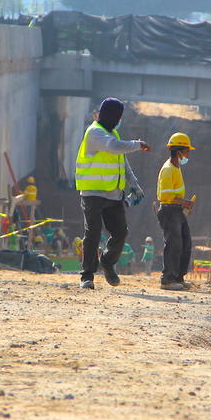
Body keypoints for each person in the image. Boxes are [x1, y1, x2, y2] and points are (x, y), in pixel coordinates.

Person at [75, 98, 150, 290]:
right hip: (93, 193)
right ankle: (87, 276)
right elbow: (113, 147)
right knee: (92, 233)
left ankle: (107, 262)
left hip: (114, 194)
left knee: (120, 232)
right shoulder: (94, 133)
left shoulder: (113, 133)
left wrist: (133, 183)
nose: (118, 121)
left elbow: (121, 163)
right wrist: (137, 144)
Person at [156, 132, 195, 291]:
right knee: (174, 245)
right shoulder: (168, 169)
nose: (188, 155)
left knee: (185, 243)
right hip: (169, 211)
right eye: (187, 151)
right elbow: (166, 196)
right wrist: (184, 202)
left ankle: (178, 277)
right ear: (179, 152)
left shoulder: (176, 167)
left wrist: (183, 205)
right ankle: (168, 279)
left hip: (177, 211)